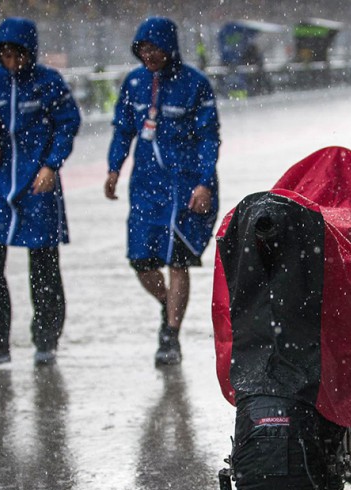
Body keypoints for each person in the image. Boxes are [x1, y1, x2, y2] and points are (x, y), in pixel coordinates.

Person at [0, 17, 82, 367]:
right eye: (5, 55)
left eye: (17, 54)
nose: (12, 62)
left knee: (43, 264)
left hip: (37, 184)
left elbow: (68, 123)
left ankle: (46, 340)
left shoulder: (49, 83)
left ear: (29, 52)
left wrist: (51, 164)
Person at [104, 16, 221, 366]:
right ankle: (169, 304)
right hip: (146, 186)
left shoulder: (195, 85)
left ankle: (170, 334)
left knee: (178, 259)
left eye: (155, 48)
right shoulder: (135, 83)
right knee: (141, 260)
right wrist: (114, 168)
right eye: (143, 49)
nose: (149, 55)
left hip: (185, 186)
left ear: (170, 47)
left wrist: (203, 182)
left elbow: (208, 137)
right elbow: (123, 128)